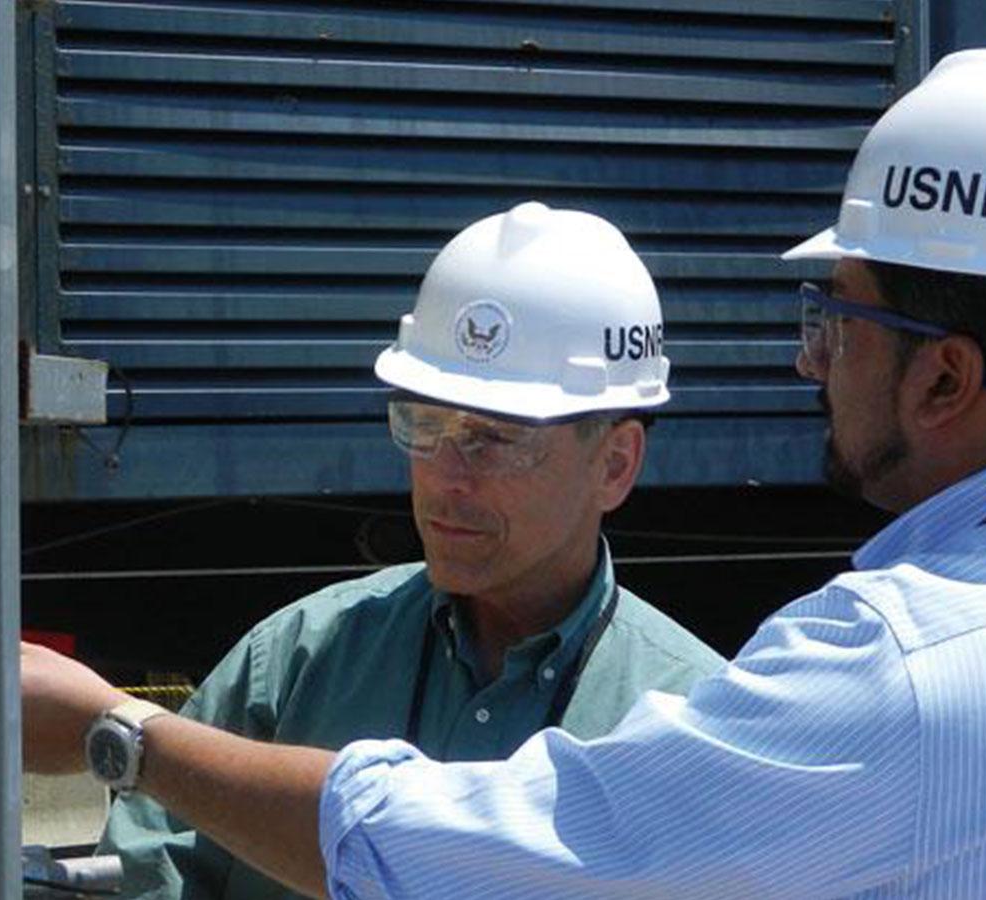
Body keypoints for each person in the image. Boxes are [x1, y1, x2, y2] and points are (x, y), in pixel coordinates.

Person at [20, 49, 986, 898]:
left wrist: (114, 730)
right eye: (431, 425)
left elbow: (486, 857)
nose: (812, 364)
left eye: (834, 321)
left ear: (945, 379)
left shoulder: (897, 671)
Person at [95, 201, 723, 899]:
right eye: (425, 423)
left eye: (498, 438)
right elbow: (145, 866)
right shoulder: (300, 660)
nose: (446, 476)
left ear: (614, 464)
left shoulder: (692, 722)